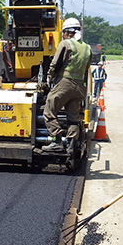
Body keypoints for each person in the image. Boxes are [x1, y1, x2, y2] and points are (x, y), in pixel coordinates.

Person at [42, 18, 91, 152]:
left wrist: (49, 80)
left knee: (49, 111)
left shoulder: (66, 44)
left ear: (67, 32)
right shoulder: (87, 48)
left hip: (65, 83)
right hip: (80, 87)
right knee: (73, 118)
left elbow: (55, 64)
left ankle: (57, 140)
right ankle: (71, 144)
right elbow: (86, 69)